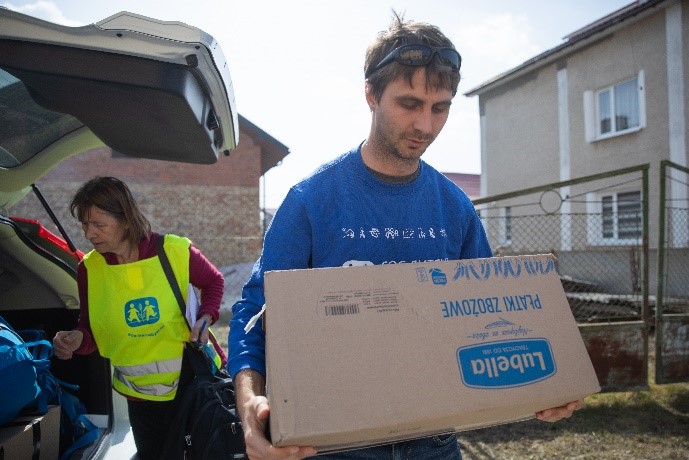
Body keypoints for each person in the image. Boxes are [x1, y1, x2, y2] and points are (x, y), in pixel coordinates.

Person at [228, 12, 581, 460]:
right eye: (410, 104)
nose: (426, 126)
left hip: (435, 444)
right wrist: (249, 406)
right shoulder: (311, 201)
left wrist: (542, 385)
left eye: (440, 108)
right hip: (333, 445)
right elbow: (254, 314)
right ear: (371, 94)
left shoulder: (455, 208)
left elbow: (493, 317)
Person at [53, 176, 226, 460]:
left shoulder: (173, 251)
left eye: (98, 224)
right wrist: (76, 340)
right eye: (84, 224)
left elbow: (214, 281)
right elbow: (93, 330)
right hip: (139, 395)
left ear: (125, 219)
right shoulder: (90, 268)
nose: (89, 234)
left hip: (193, 382)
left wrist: (205, 318)